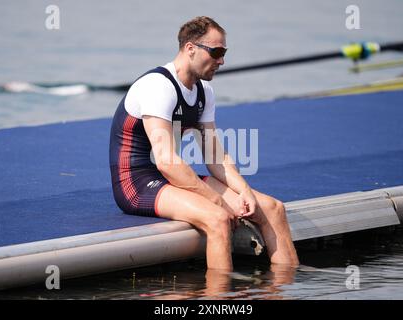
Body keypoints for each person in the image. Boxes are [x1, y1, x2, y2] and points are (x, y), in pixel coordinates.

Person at [109, 16, 299, 271]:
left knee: (273, 209)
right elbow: (166, 161)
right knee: (218, 219)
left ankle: (285, 290)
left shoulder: (204, 92)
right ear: (190, 49)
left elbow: (216, 158)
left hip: (170, 177)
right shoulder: (158, 87)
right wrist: (217, 200)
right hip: (137, 182)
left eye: (224, 53)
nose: (222, 60)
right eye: (217, 52)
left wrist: (245, 192)